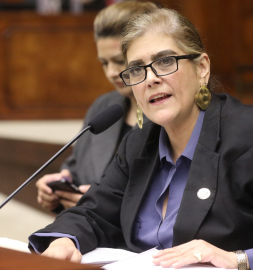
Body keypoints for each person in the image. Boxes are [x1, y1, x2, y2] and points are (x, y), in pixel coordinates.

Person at [28, 8, 253, 270]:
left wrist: (238, 260)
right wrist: (64, 239)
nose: (151, 78)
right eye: (136, 69)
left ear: (202, 68)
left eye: (165, 61)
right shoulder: (139, 144)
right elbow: (93, 213)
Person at [35, 1, 158, 213]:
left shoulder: (168, 111)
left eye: (119, 61)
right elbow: (76, 168)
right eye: (104, 63)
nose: (111, 72)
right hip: (86, 235)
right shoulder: (103, 106)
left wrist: (101, 204)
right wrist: (59, 186)